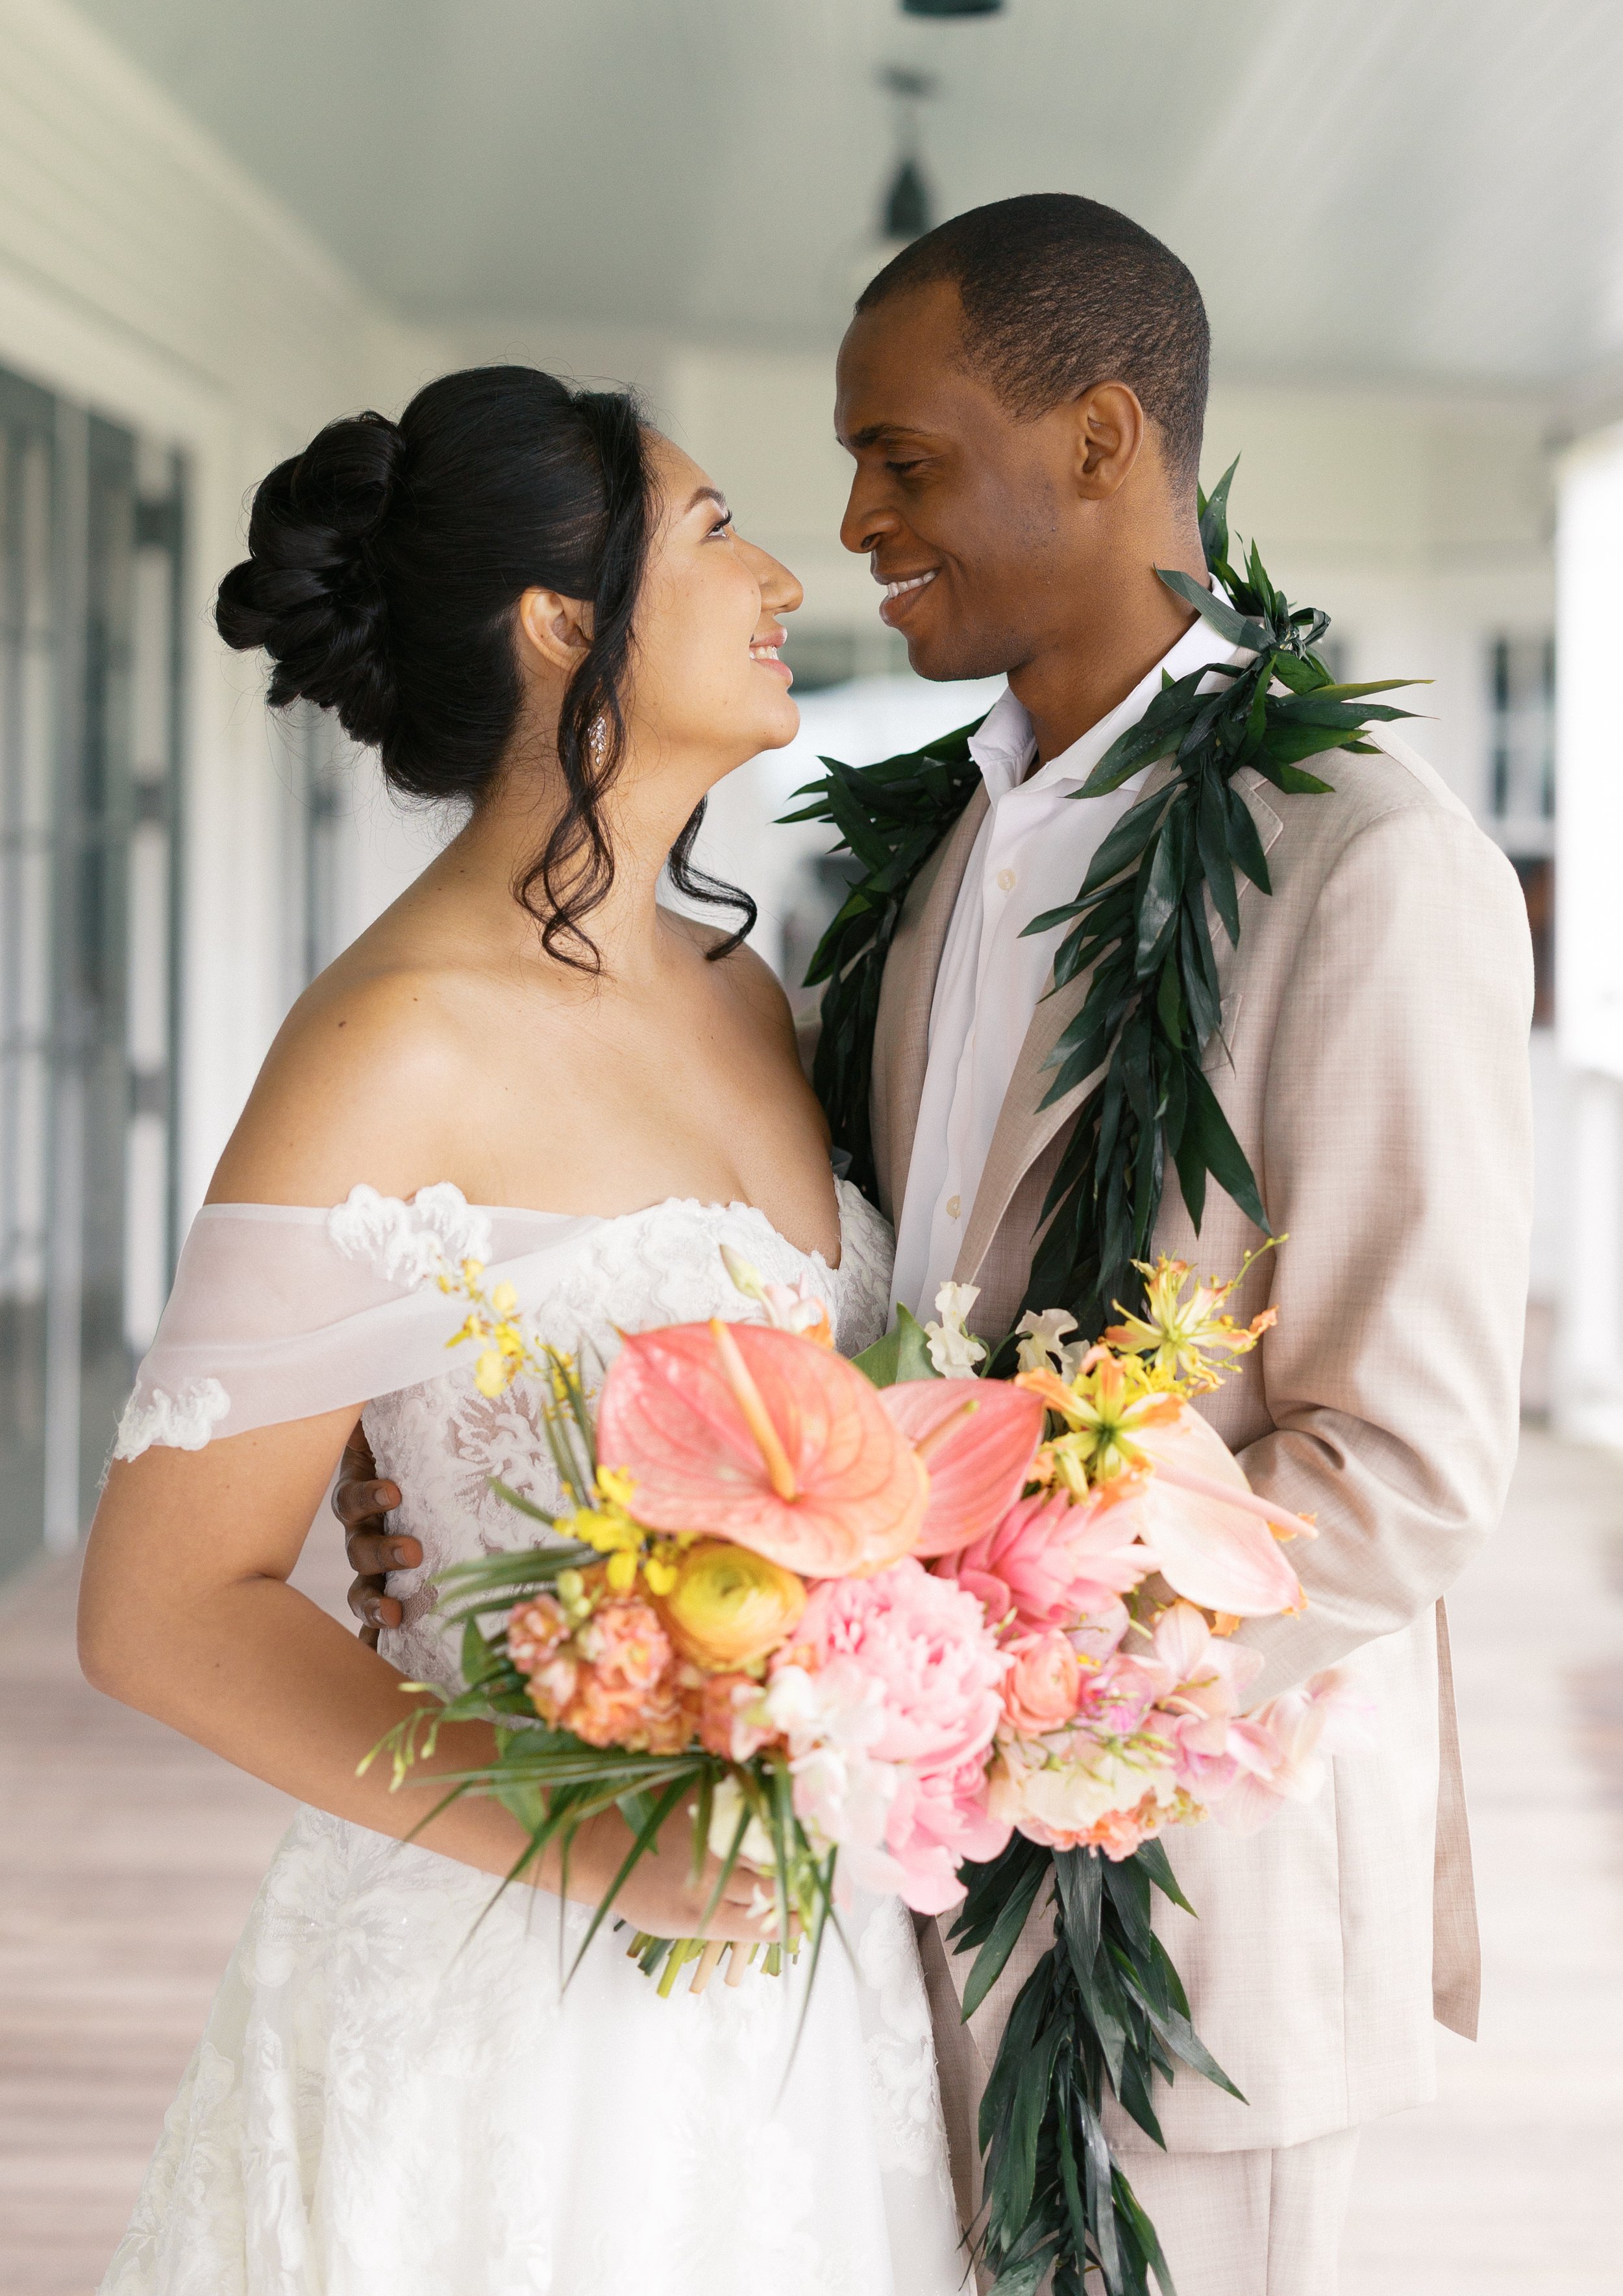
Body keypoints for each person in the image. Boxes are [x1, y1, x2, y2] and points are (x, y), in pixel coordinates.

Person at [339, 197, 1536, 2296]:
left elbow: (1405, 1469)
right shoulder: (937, 850)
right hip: (862, 1908)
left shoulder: (1367, 866)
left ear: (1095, 441)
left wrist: (974, 1707)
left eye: (903, 456)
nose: (853, 517)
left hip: (1180, 1936)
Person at [79, 367, 963, 2296]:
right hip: (527, 1964)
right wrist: (596, 1850)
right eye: (716, 525)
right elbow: (162, 1606)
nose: (775, 570)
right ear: (563, 624)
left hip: (808, 1973)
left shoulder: (745, 987)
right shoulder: (391, 1042)